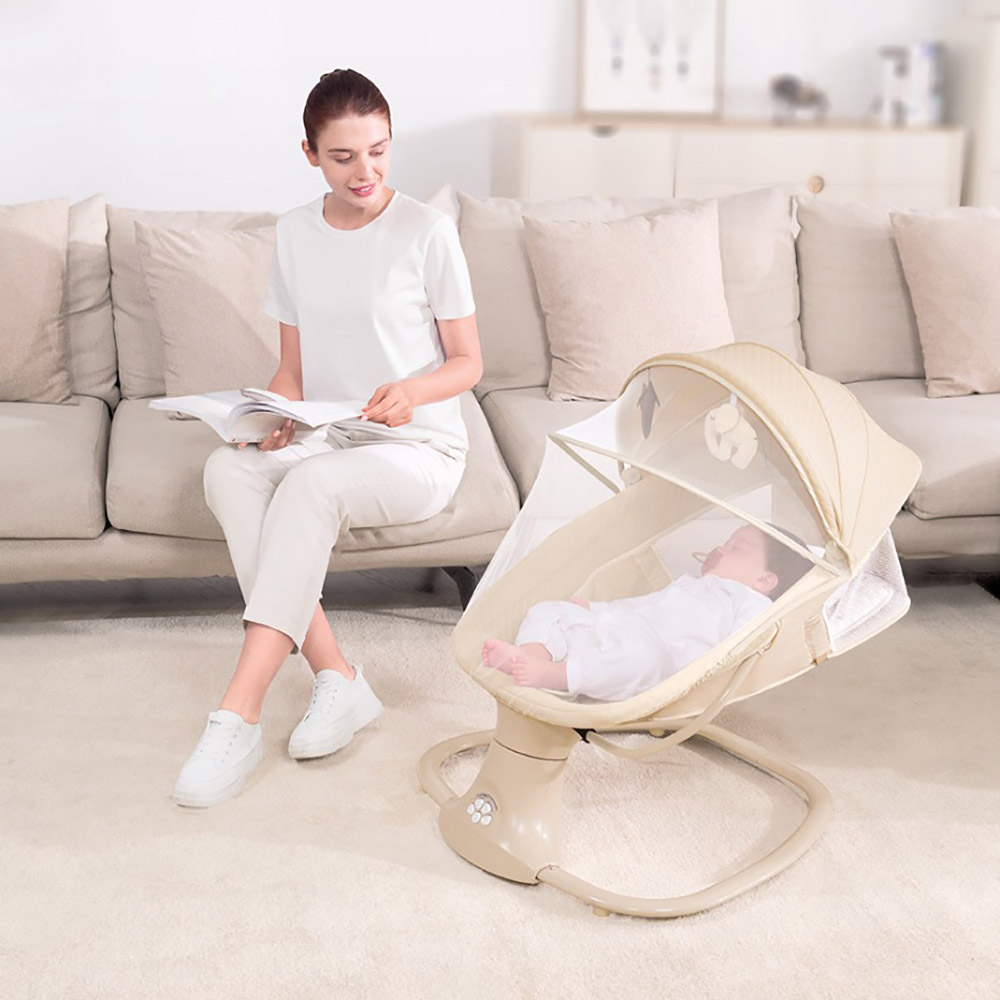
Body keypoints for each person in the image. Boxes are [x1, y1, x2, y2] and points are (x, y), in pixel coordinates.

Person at [172, 69, 481, 808]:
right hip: (334, 435)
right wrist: (270, 413)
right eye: (343, 156)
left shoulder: (427, 231)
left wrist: (412, 391)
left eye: (378, 150)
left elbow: (468, 362)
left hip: (417, 448)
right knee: (227, 471)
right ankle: (337, 677)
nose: (365, 171)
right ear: (310, 154)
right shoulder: (294, 233)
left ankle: (238, 713)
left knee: (308, 487)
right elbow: (292, 368)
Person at [480, 524, 812, 702]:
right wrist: (596, 610)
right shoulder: (691, 584)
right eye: (725, 542)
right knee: (550, 610)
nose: (721, 550)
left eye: (736, 548)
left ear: (765, 580)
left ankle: (554, 675)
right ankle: (531, 654)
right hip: (621, 627)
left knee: (641, 656)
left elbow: (745, 643)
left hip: (660, 662)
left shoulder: (751, 603)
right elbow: (645, 604)